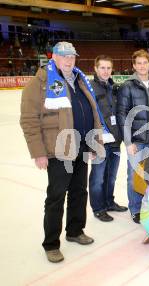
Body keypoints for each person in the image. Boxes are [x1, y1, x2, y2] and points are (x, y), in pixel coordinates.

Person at [20, 42, 107, 263]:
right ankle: (51, 244)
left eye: (72, 56)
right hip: (58, 150)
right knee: (56, 197)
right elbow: (29, 121)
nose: (69, 60)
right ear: (54, 57)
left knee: (79, 192)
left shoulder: (79, 79)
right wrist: (38, 152)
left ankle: (75, 231)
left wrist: (95, 143)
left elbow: (92, 112)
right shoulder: (40, 83)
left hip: (81, 147)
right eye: (64, 56)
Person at [117, 49, 149, 224]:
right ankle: (135, 208)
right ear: (134, 66)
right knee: (133, 175)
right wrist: (128, 141)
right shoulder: (128, 85)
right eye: (138, 63)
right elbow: (122, 114)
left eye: (145, 63)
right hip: (136, 140)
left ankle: (146, 205)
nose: (142, 66)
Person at [89, 55, 128, 222]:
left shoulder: (113, 88)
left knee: (111, 176)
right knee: (98, 177)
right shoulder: (90, 88)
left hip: (115, 141)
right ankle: (98, 208)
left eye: (108, 68)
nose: (105, 71)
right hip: (99, 142)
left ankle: (109, 202)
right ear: (96, 69)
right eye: (102, 68)